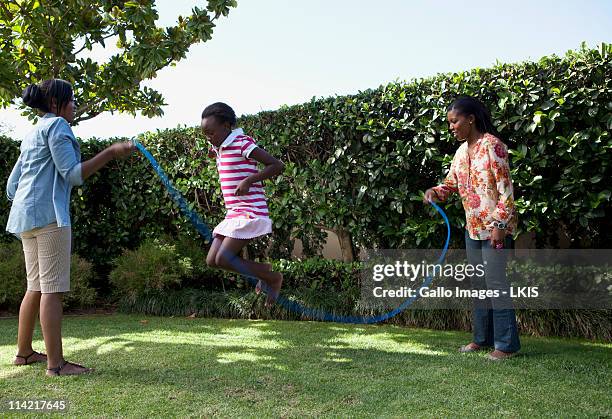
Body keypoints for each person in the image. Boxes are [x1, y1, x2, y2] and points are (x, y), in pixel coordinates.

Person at [6, 79, 135, 376]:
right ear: (55, 104)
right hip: (50, 217)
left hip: (25, 218)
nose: (75, 105)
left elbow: (12, 185)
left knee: (35, 287)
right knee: (52, 290)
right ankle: (56, 364)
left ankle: (24, 353)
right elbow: (74, 175)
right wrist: (111, 152)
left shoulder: (32, 133)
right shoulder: (59, 128)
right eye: (72, 100)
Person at [423, 96, 520, 360]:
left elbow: (506, 191)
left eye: (454, 121)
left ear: (470, 119)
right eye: (449, 123)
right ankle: (482, 339)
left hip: (494, 229)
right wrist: (435, 191)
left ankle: (506, 345)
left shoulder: (493, 146)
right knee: (479, 284)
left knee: (496, 284)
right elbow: (451, 184)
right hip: (473, 229)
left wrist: (500, 224)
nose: (451, 127)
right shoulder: (460, 153)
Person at [201, 102, 284, 306]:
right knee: (212, 261)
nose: (209, 138)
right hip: (234, 212)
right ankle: (263, 270)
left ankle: (272, 278)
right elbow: (218, 150)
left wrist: (249, 180)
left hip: (250, 210)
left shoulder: (242, 143)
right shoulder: (220, 146)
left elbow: (277, 165)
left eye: (211, 133)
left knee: (224, 259)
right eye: (205, 134)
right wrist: (214, 150)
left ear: (226, 126)